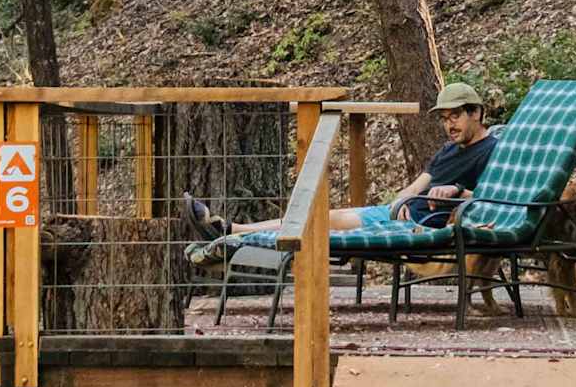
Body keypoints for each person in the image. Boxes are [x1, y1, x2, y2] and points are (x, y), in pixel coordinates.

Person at [188, 82, 498, 258]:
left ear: (476, 113)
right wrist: (402, 201)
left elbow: (491, 199)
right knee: (321, 217)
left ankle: (234, 235)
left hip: (422, 226)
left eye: (455, 116)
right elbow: (415, 186)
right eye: (444, 118)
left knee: (321, 227)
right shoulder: (449, 149)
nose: (449, 125)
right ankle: (233, 230)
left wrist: (458, 191)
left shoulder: (492, 151)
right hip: (398, 215)